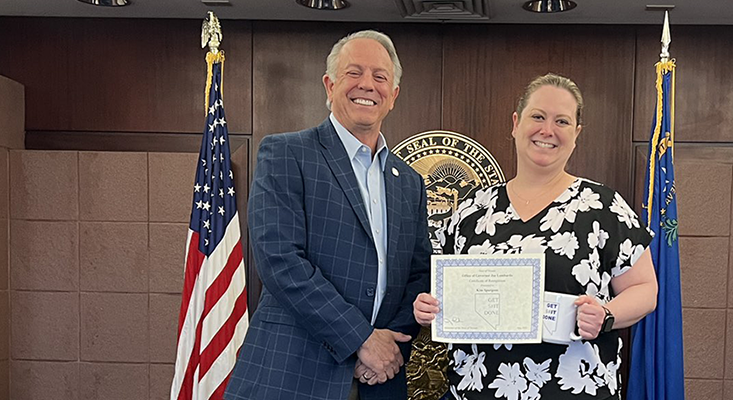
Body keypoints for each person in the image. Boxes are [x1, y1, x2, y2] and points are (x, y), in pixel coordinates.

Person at [413, 74, 659, 400]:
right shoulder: (472, 209)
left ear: (576, 135)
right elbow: (443, 291)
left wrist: (606, 315)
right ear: (516, 123)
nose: (547, 130)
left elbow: (645, 289)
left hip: (576, 390)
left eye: (562, 121)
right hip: (477, 390)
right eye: (538, 116)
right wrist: (428, 308)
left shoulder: (603, 207)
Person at [226, 30, 431, 400]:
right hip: (292, 375)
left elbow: (419, 274)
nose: (367, 85)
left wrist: (386, 346)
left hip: (379, 380)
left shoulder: (409, 182)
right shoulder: (286, 153)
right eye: (354, 73)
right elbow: (281, 262)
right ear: (330, 84)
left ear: (393, 96)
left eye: (380, 77)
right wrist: (361, 340)